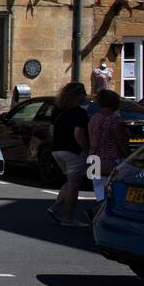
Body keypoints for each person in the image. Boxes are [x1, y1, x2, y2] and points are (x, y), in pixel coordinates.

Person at [48, 82, 91, 227]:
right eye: (83, 93)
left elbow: (51, 130)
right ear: (76, 95)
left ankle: (55, 208)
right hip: (73, 151)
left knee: (69, 181)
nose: (85, 95)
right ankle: (68, 218)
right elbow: (78, 134)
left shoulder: (57, 110)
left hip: (57, 150)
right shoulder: (79, 112)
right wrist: (87, 150)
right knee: (74, 185)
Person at [88, 89, 130, 203]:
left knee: (99, 191)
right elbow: (122, 142)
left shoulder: (94, 118)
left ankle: (98, 213)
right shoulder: (115, 120)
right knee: (113, 192)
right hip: (112, 160)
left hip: (94, 159)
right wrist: (129, 158)